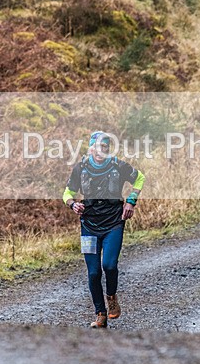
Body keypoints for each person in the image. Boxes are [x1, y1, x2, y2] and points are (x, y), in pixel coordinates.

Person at [63, 131, 146, 328]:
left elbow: (140, 178)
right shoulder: (81, 168)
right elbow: (68, 192)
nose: (101, 151)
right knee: (93, 273)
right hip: (89, 226)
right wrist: (72, 204)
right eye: (98, 147)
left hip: (113, 223)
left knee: (109, 265)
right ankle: (100, 314)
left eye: (105, 148)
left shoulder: (118, 165)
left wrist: (131, 202)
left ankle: (111, 297)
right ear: (90, 148)